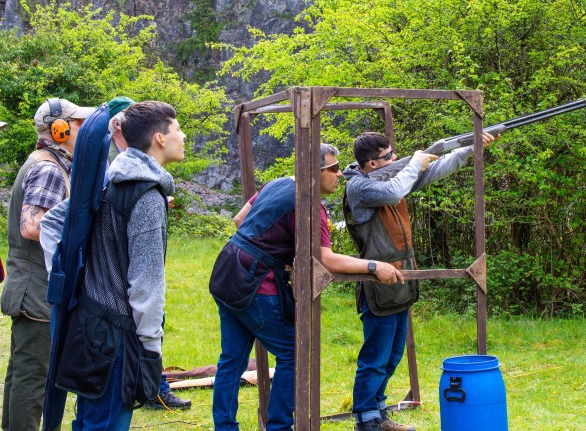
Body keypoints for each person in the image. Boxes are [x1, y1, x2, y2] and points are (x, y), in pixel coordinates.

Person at [209, 144, 404, 431]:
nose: (340, 174)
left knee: (231, 360)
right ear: (314, 172)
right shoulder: (310, 204)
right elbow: (326, 259)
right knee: (293, 353)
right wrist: (375, 266)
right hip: (254, 282)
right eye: (334, 169)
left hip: (227, 270)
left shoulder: (275, 183)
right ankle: (279, 427)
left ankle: (225, 427)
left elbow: (240, 221)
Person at [40, 100, 192, 412]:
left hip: (91, 322)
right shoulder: (146, 194)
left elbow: (52, 223)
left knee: (87, 420)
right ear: (160, 138)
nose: (184, 136)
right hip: (118, 339)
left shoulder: (110, 178)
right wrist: (151, 350)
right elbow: (146, 285)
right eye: (178, 129)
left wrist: (70, 279)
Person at [342, 131, 495, 431]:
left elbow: (435, 170)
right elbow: (394, 193)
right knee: (374, 358)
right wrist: (414, 163)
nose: (396, 159)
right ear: (372, 164)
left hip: (401, 281)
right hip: (378, 285)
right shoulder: (359, 188)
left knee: (392, 355)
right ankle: (365, 420)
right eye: (389, 157)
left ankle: (379, 413)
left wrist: (468, 148)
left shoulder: (390, 177)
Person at [1, 97, 93, 431]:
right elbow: (32, 226)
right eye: (78, 124)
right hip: (37, 287)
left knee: (23, 373)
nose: (83, 130)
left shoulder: (48, 163)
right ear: (60, 129)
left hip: (34, 285)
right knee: (33, 377)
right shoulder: (49, 169)